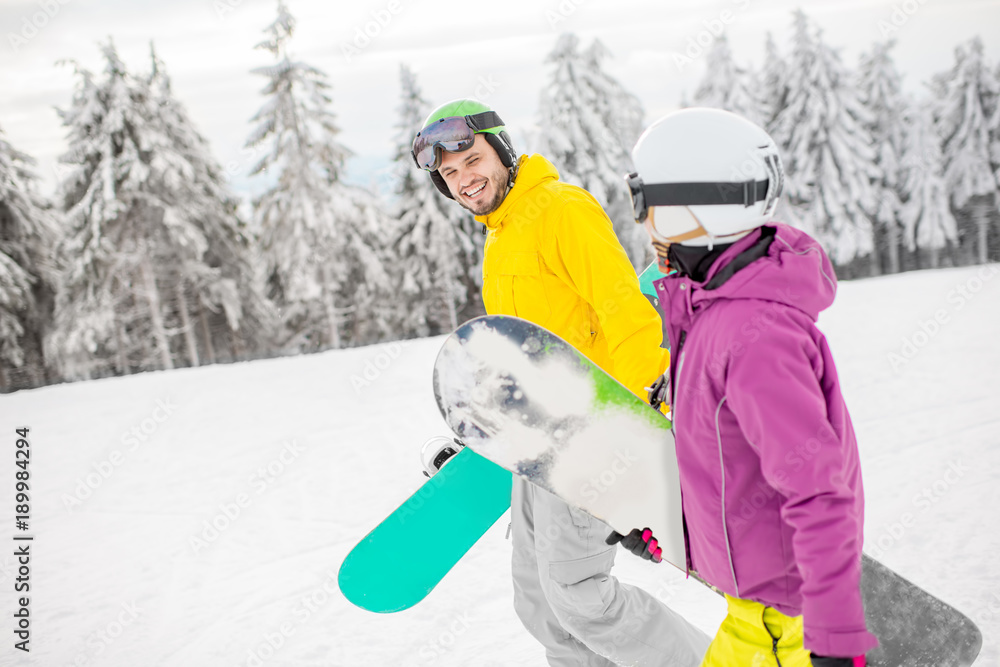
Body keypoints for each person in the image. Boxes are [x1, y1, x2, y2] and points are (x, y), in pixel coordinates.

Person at [412, 99, 711, 666]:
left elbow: (623, 308)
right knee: (539, 601)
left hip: (593, 435)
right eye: (449, 175)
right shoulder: (500, 236)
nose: (463, 181)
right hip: (538, 447)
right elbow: (523, 356)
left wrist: (651, 410)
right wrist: (480, 434)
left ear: (501, 151)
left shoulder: (558, 209)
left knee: (580, 599)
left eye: (471, 161)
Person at [618, 107, 879, 667]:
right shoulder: (707, 313)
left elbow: (818, 491)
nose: (640, 222)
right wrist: (674, 533)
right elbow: (723, 463)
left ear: (692, 212)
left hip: (792, 628)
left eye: (643, 201)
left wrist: (832, 643)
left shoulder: (755, 336)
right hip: (748, 615)